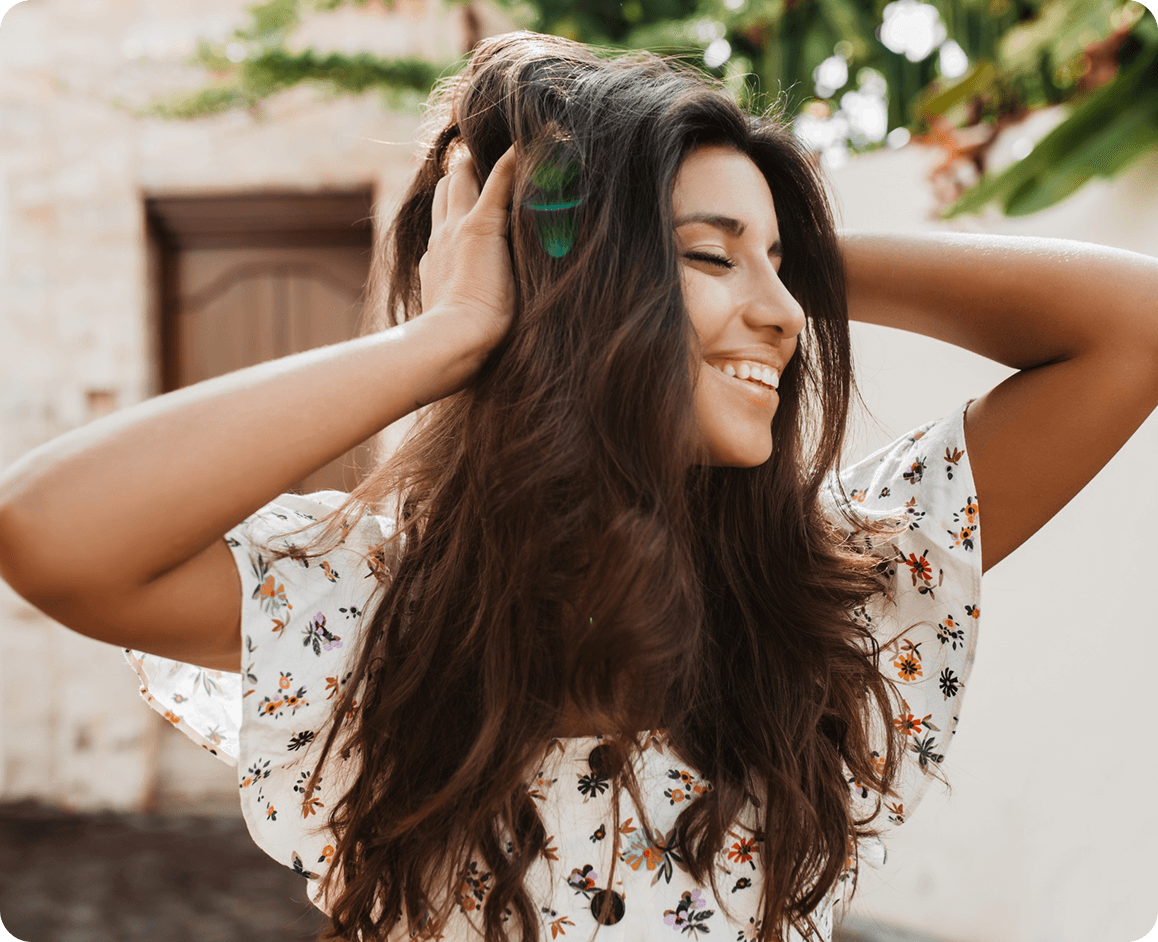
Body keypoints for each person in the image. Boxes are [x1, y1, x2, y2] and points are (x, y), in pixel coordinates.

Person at [0, 28, 1156, 942]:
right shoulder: (379, 603)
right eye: (710, 258)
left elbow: (1135, 325)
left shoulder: (833, 581)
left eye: (784, 268)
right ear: (579, 290)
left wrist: (766, 243)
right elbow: (50, 534)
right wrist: (450, 334)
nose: (788, 315)